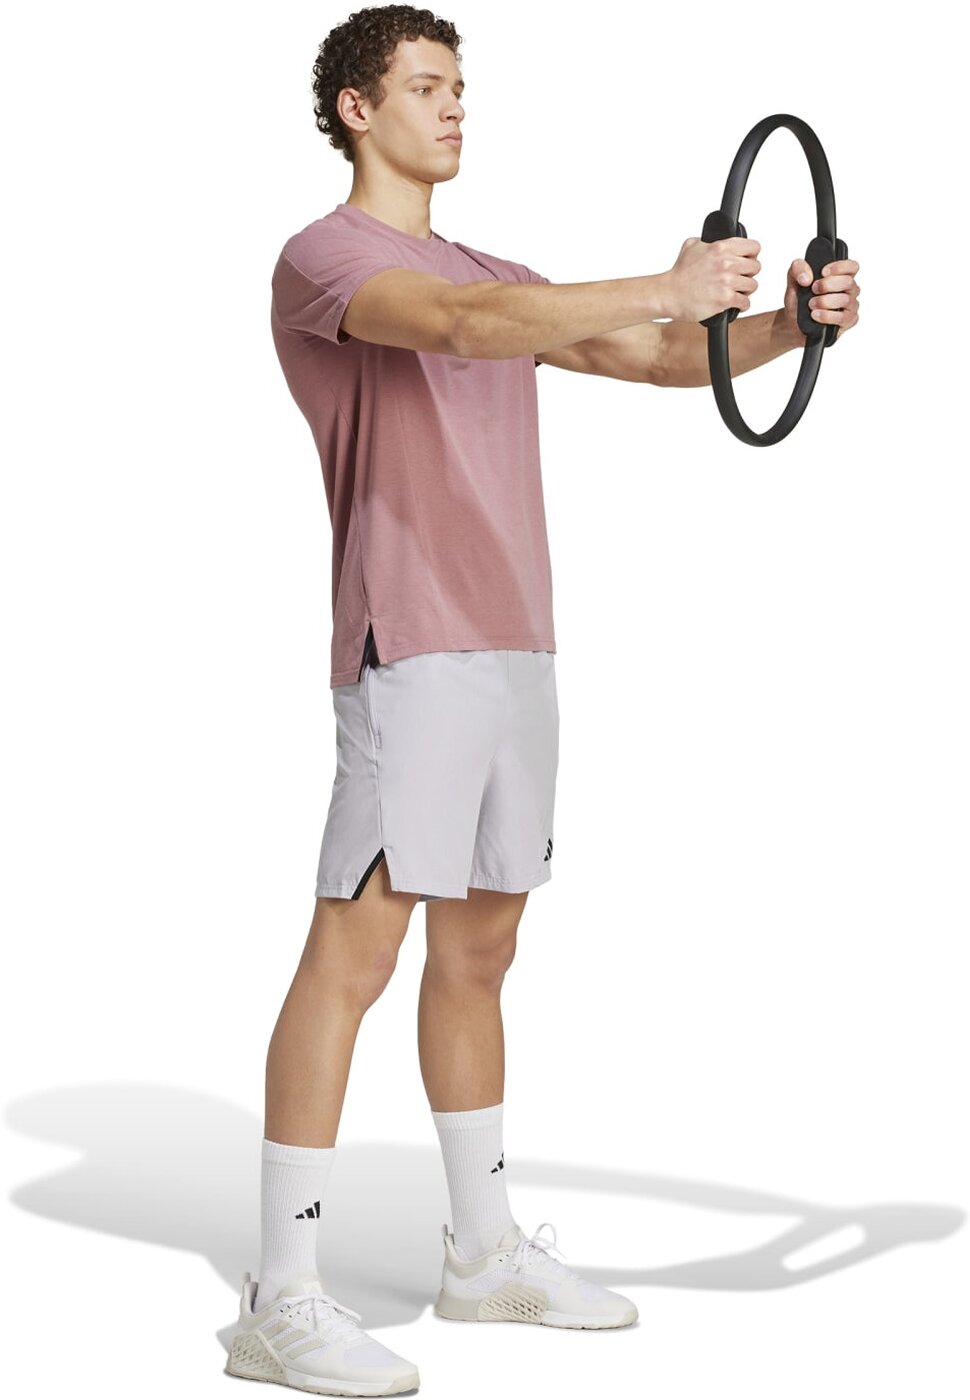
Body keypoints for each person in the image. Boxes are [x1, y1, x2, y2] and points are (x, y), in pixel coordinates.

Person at [226, 5, 862, 1394]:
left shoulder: (503, 272)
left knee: (483, 950)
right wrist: (666, 281)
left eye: (461, 85)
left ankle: (483, 1254)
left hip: (518, 644)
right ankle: (282, 1296)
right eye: (425, 86)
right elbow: (462, 327)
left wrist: (779, 323)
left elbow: (650, 356)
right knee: (356, 950)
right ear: (354, 109)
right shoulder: (328, 257)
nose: (455, 106)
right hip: (410, 644)